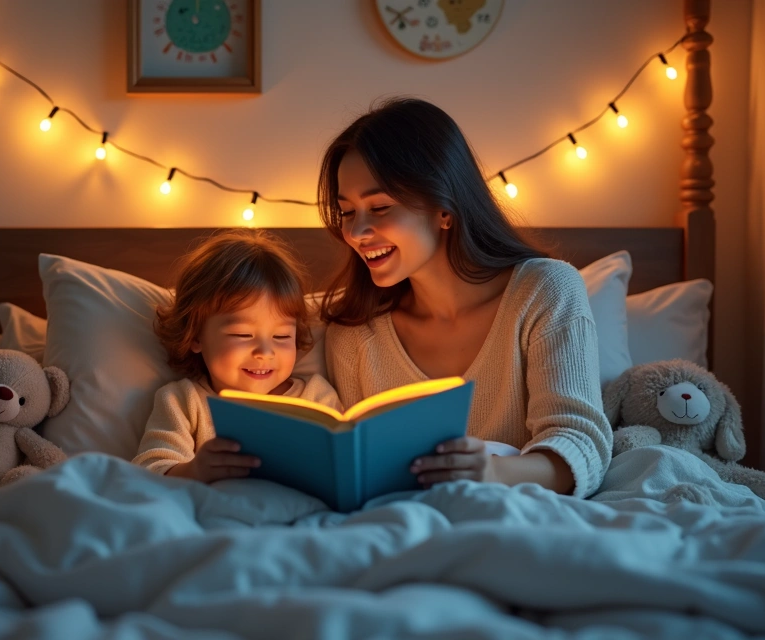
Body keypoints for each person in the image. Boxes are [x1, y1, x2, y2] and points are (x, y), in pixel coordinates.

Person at [318, 97, 612, 498]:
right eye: (347, 212)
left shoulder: (545, 291)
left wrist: (493, 473)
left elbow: (582, 445)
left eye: (380, 207)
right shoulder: (354, 332)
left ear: (444, 207)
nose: (356, 232)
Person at [133, 229, 342, 483]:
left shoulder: (316, 397)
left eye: (281, 337)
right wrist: (193, 471)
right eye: (243, 335)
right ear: (196, 336)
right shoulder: (185, 401)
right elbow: (148, 469)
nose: (265, 353)